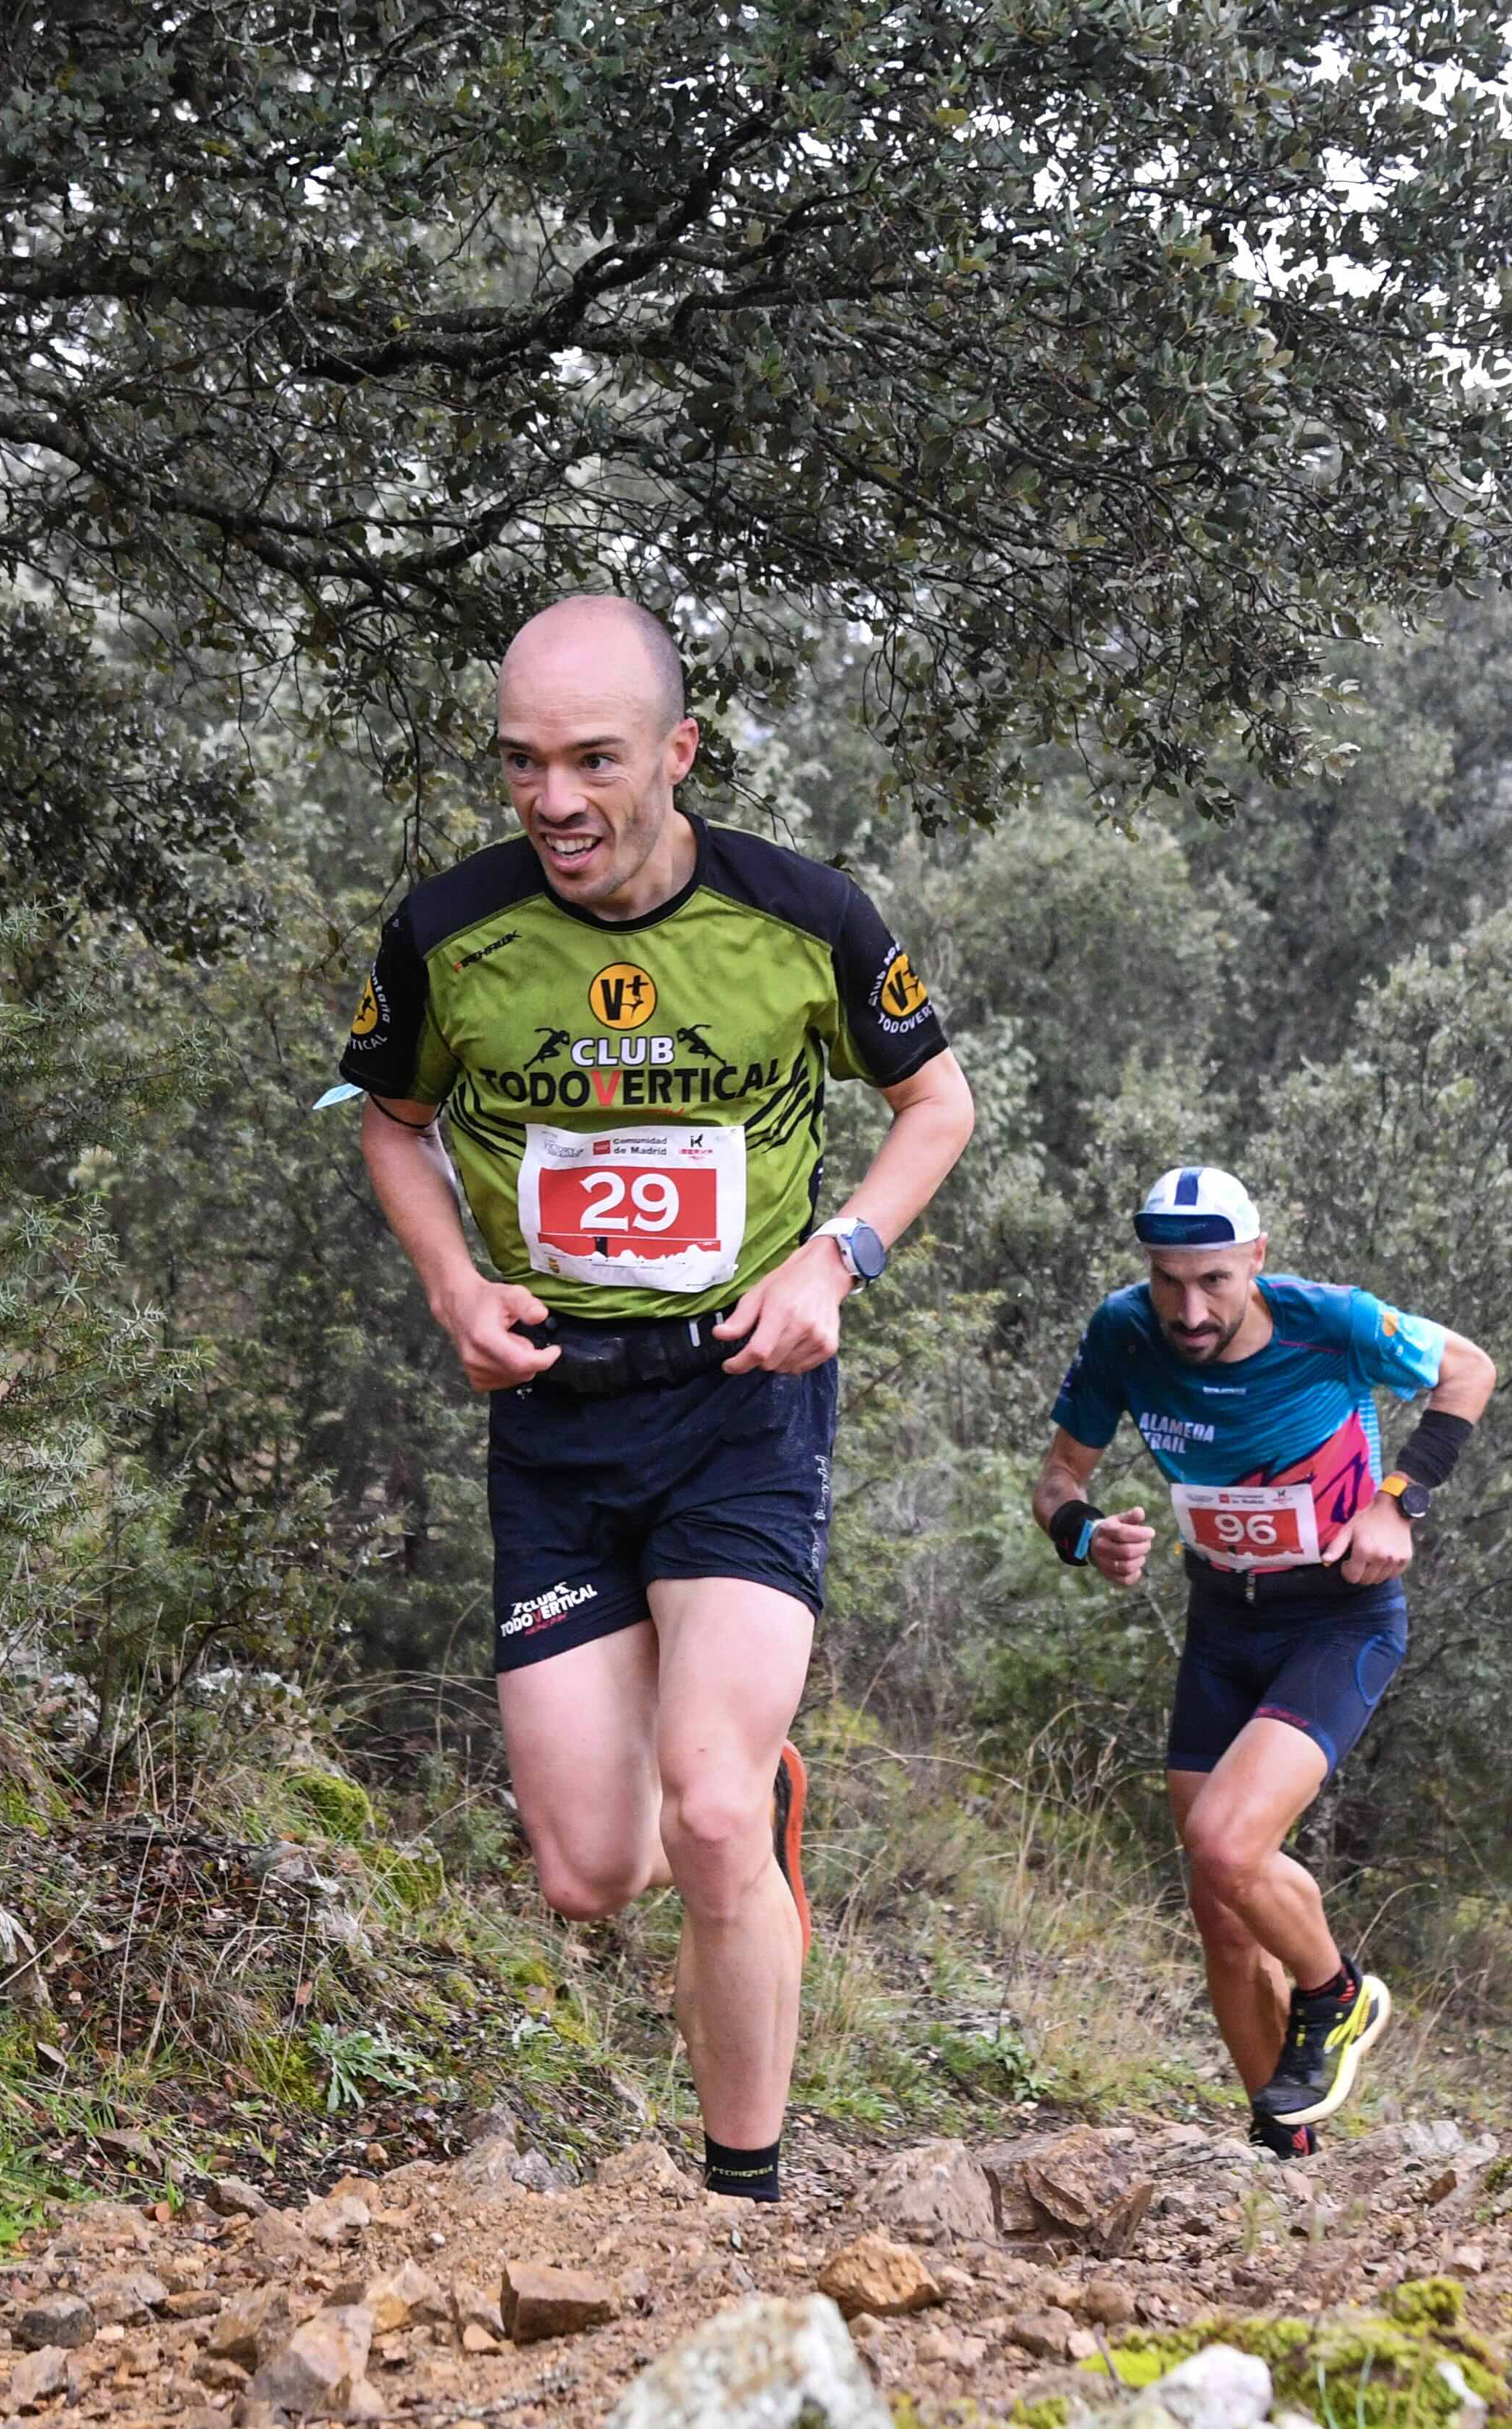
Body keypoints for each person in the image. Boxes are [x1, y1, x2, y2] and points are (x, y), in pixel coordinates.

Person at [337, 594, 976, 2203]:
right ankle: (754, 1799)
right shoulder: (448, 932)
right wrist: (454, 1285)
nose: (552, 799)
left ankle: (738, 2202)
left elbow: (935, 1104)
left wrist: (836, 1257)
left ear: (678, 752)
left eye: (593, 760)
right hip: (556, 1414)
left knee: (703, 1810)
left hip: (740, 1395)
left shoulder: (803, 916)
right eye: (521, 763)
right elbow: (390, 1122)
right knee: (590, 1869)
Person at [1029, 1166, 1495, 2154]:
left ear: (1256, 1260)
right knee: (1222, 1915)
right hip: (1221, 1622)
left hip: (1337, 1619)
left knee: (1227, 1843)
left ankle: (1338, 1994)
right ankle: (1283, 2150)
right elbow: (1060, 1476)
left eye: (1214, 1281)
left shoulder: (1333, 1322)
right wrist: (1085, 1534)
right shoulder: (1123, 1331)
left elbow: (1469, 1370)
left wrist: (1399, 1501)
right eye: (1169, 1282)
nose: (1191, 1311)